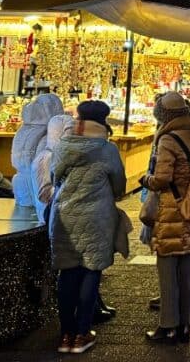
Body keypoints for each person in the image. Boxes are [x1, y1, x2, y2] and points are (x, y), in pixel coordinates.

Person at [48, 100, 127, 355]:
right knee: (91, 272)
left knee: (67, 273)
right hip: (97, 217)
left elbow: (54, 178)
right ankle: (82, 334)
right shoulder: (107, 149)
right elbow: (119, 186)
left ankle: (65, 335)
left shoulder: (63, 145)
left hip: (65, 216)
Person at [140, 92, 190, 343]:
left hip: (171, 209)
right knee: (187, 267)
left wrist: (145, 180)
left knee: (167, 267)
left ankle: (168, 325)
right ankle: (186, 325)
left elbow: (162, 179)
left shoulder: (168, 139)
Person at [10, 93, 64, 207]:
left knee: (23, 215)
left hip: (20, 183)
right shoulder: (48, 132)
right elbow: (44, 164)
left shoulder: (23, 129)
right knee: (38, 219)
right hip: (38, 186)